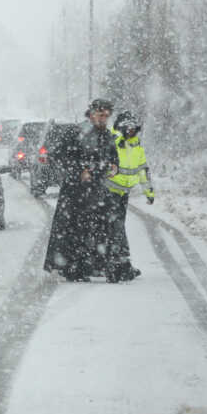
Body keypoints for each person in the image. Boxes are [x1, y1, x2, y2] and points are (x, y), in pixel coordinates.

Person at [44, 98, 120, 281]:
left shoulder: (107, 135)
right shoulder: (75, 132)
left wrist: (114, 166)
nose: (104, 119)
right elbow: (57, 156)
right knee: (74, 230)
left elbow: (113, 156)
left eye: (107, 116)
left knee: (101, 227)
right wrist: (79, 171)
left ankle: (97, 264)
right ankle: (73, 267)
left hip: (97, 189)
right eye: (101, 115)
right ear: (92, 114)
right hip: (75, 191)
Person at [104, 110, 155, 282]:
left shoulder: (137, 146)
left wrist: (149, 192)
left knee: (117, 228)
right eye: (128, 128)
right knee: (115, 229)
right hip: (108, 192)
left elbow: (142, 171)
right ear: (121, 128)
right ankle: (116, 267)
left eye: (134, 128)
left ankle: (121, 265)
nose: (131, 131)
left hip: (123, 194)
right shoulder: (114, 141)